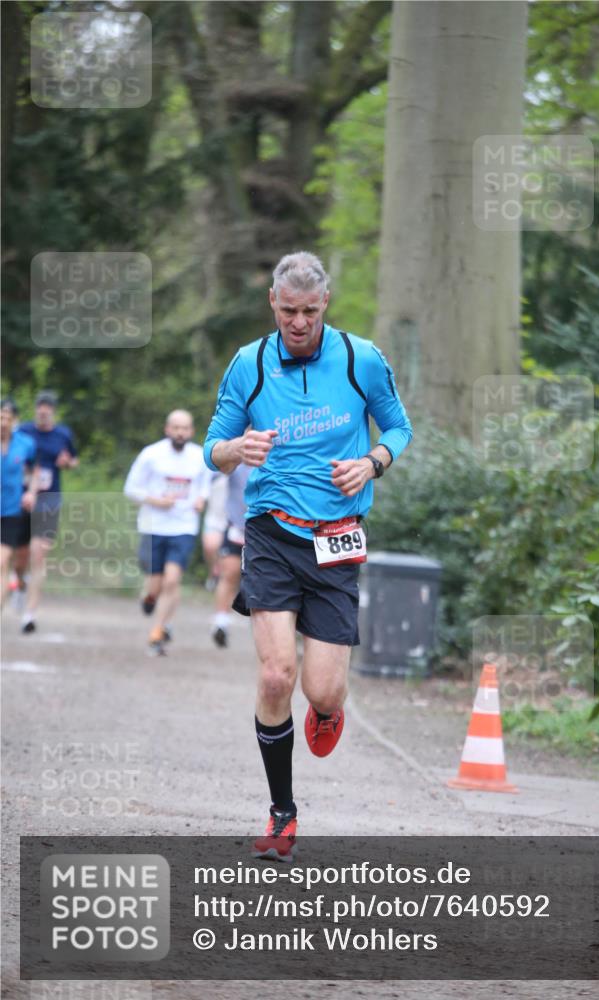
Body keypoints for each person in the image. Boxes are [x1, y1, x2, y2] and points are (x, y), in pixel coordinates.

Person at [203, 251, 412, 860]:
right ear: (273, 302)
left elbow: (399, 428)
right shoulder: (249, 364)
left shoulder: (359, 359)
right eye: (289, 310)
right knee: (276, 675)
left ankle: (327, 710)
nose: (299, 323)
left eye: (310, 312)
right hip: (271, 533)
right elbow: (213, 448)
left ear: (326, 305)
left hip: (336, 539)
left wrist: (372, 462)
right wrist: (238, 448)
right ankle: (282, 814)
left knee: (323, 692)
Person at [124, 409, 211, 657]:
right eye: (176, 428)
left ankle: (157, 632)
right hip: (154, 525)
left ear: (191, 431)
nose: (180, 432)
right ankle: (150, 597)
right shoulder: (151, 454)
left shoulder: (199, 456)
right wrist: (156, 501)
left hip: (184, 527)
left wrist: (201, 499)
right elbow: (131, 488)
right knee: (155, 584)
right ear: (167, 429)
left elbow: (205, 485)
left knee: (172, 580)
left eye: (185, 428)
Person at [15, 391, 78, 633]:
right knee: (20, 557)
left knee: (38, 555)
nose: (43, 412)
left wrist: (67, 463)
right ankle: (20, 582)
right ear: (35, 410)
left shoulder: (63, 434)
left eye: (47, 409)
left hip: (49, 500)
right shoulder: (23, 432)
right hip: (22, 498)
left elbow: (73, 460)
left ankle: (30, 614)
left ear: (53, 411)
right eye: (39, 408)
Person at [1, 399, 41, 613]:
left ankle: (16, 587)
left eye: (7, 418)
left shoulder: (26, 444)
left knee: (4, 561)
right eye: (0, 417)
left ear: (14, 420)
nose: (3, 422)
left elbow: (35, 470)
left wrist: (31, 492)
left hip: (11, 510)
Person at [210, 462, 251, 648]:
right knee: (229, 574)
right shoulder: (237, 463)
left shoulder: (274, 460)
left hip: (264, 531)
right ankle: (221, 622)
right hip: (236, 527)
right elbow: (213, 472)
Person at [201, 473, 228, 592]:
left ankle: (225, 578)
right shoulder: (212, 471)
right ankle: (214, 572)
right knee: (210, 546)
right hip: (214, 519)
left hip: (235, 520)